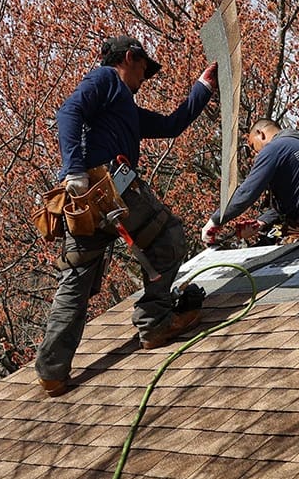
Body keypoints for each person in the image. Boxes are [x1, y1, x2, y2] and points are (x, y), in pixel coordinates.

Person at [35, 36, 217, 397]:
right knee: (168, 236)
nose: (144, 79)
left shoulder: (123, 110)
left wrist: (203, 88)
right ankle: (155, 322)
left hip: (86, 204)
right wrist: (75, 169)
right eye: (144, 70)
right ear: (130, 57)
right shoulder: (106, 79)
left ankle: (52, 371)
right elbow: (68, 112)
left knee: (77, 278)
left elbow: (171, 125)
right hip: (108, 187)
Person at [200, 118, 299, 246]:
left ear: (260, 133)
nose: (255, 152)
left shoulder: (273, 148)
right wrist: (262, 222)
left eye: (253, 146)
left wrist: (216, 220)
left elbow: (247, 192)